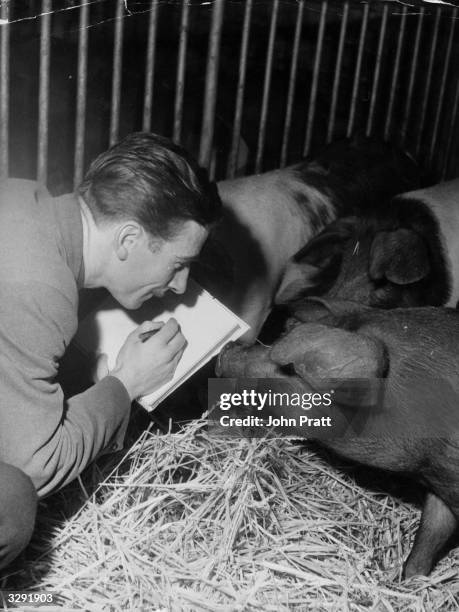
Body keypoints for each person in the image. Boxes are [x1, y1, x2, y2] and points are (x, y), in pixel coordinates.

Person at [0, 132, 221, 570]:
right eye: (179, 264)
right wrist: (126, 384)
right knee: (10, 504)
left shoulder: (22, 201)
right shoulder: (41, 291)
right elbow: (36, 463)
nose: (179, 286)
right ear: (128, 240)